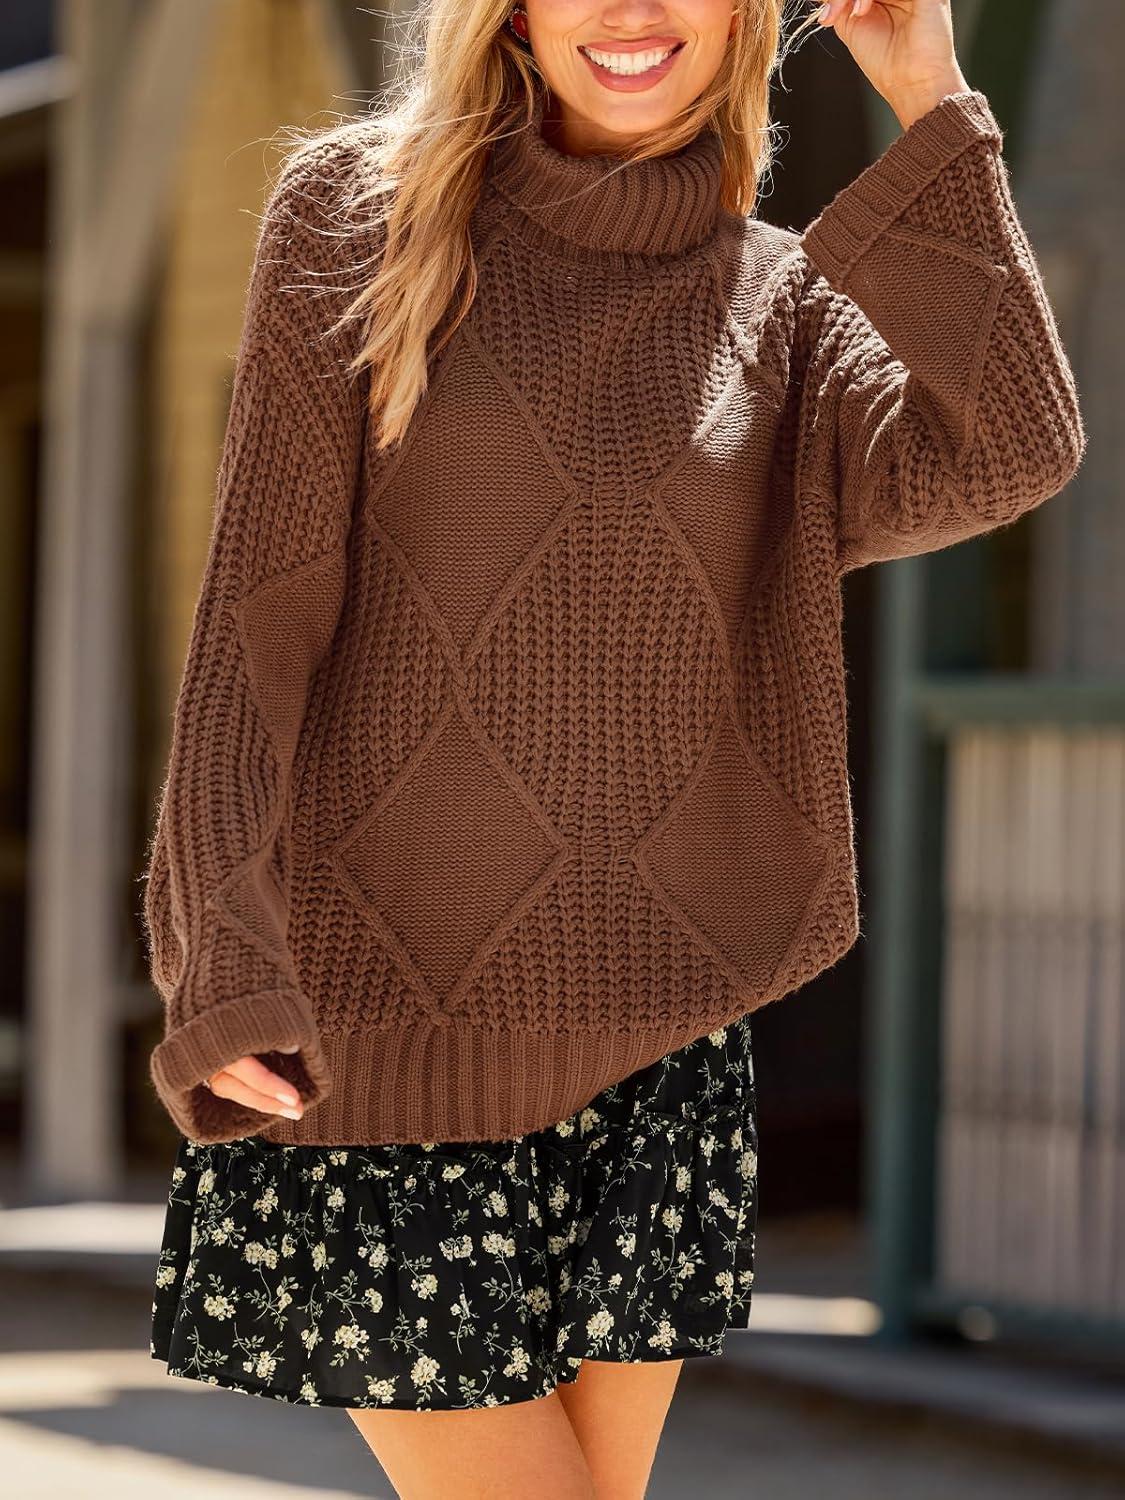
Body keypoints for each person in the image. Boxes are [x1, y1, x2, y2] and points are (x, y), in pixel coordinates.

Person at [143, 1, 1085, 1495]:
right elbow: (259, 617)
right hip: (376, 1032)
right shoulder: (358, 217)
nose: (634, 11)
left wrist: (930, 95)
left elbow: (1011, 446)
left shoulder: (781, 303)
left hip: (657, 1036)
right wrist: (218, 945)